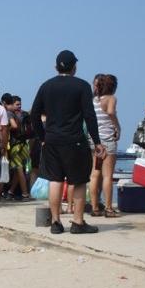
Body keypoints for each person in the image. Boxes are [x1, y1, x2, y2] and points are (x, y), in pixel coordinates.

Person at [31, 50, 105, 234]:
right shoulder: (81, 86)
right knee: (78, 181)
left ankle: (56, 223)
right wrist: (97, 142)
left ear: (56, 67)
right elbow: (89, 115)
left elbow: (33, 114)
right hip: (75, 141)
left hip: (52, 141)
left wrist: (42, 137)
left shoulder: (46, 86)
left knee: (55, 180)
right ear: (74, 67)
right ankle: (78, 222)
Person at [89, 74, 121, 217]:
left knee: (95, 174)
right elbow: (111, 112)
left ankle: (95, 207)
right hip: (107, 140)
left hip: (95, 140)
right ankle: (108, 208)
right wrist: (117, 127)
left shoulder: (95, 100)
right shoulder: (111, 99)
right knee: (108, 175)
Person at [4, 94, 29, 200]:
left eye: (19, 104)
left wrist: (4, 129)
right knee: (18, 170)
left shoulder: (10, 113)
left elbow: (14, 126)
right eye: (17, 104)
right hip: (24, 145)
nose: (19, 106)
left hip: (16, 145)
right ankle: (11, 192)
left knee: (18, 170)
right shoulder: (24, 114)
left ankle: (25, 194)